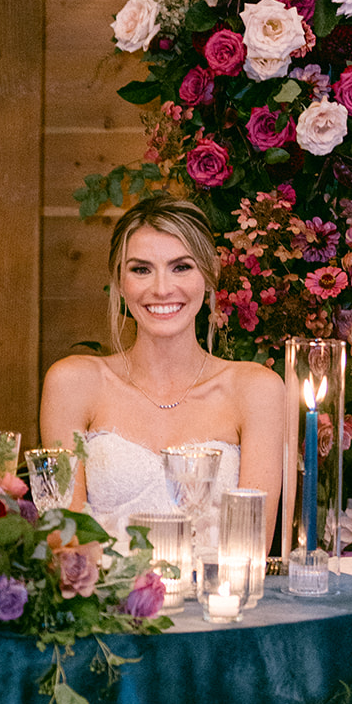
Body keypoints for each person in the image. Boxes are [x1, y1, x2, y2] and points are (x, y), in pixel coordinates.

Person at [39, 193, 284, 544]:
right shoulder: (73, 383)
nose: (162, 289)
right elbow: (66, 542)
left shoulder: (256, 389)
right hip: (108, 596)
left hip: (219, 594)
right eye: (141, 269)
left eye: (181, 267)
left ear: (210, 273)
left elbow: (251, 545)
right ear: (120, 282)